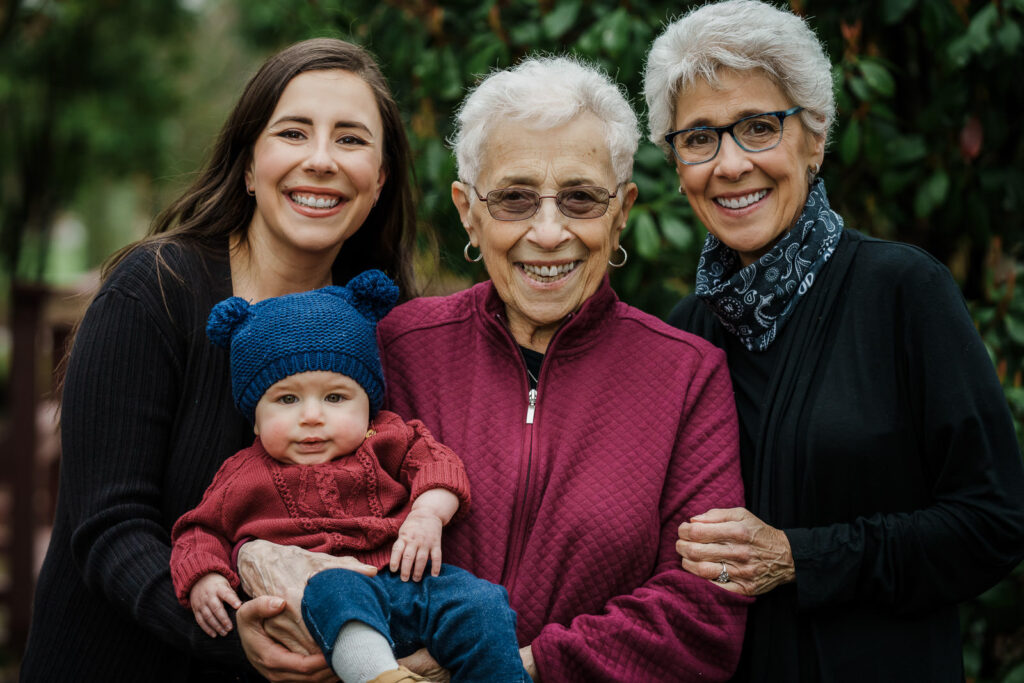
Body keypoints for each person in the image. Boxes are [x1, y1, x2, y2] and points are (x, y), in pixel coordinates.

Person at [235, 55, 750, 683]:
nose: (550, 231)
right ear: (467, 210)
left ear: (622, 210)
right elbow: (281, 490)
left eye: (583, 198)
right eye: (514, 198)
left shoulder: (687, 375)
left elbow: (702, 613)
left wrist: (500, 667)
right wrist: (255, 559)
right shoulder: (391, 350)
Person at [642, 1, 1024, 680]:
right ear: (677, 164)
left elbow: (995, 521)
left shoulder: (903, 293)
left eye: (759, 127)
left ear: (813, 139)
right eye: (699, 137)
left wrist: (799, 556)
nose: (729, 164)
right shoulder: (678, 336)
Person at [22, 38, 420, 682]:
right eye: (293, 132)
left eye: (350, 139)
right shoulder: (153, 293)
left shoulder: (380, 330)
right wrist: (238, 632)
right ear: (247, 164)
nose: (320, 160)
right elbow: (108, 526)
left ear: (380, 179)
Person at [171, 272, 530, 683]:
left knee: (482, 601)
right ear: (254, 420)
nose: (311, 416)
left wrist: (428, 514)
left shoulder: (389, 437)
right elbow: (198, 531)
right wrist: (205, 576)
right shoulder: (243, 474)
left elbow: (438, 466)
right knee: (334, 590)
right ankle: (380, 678)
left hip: (408, 580)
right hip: (321, 595)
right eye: (287, 399)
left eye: (335, 397)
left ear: (369, 405)